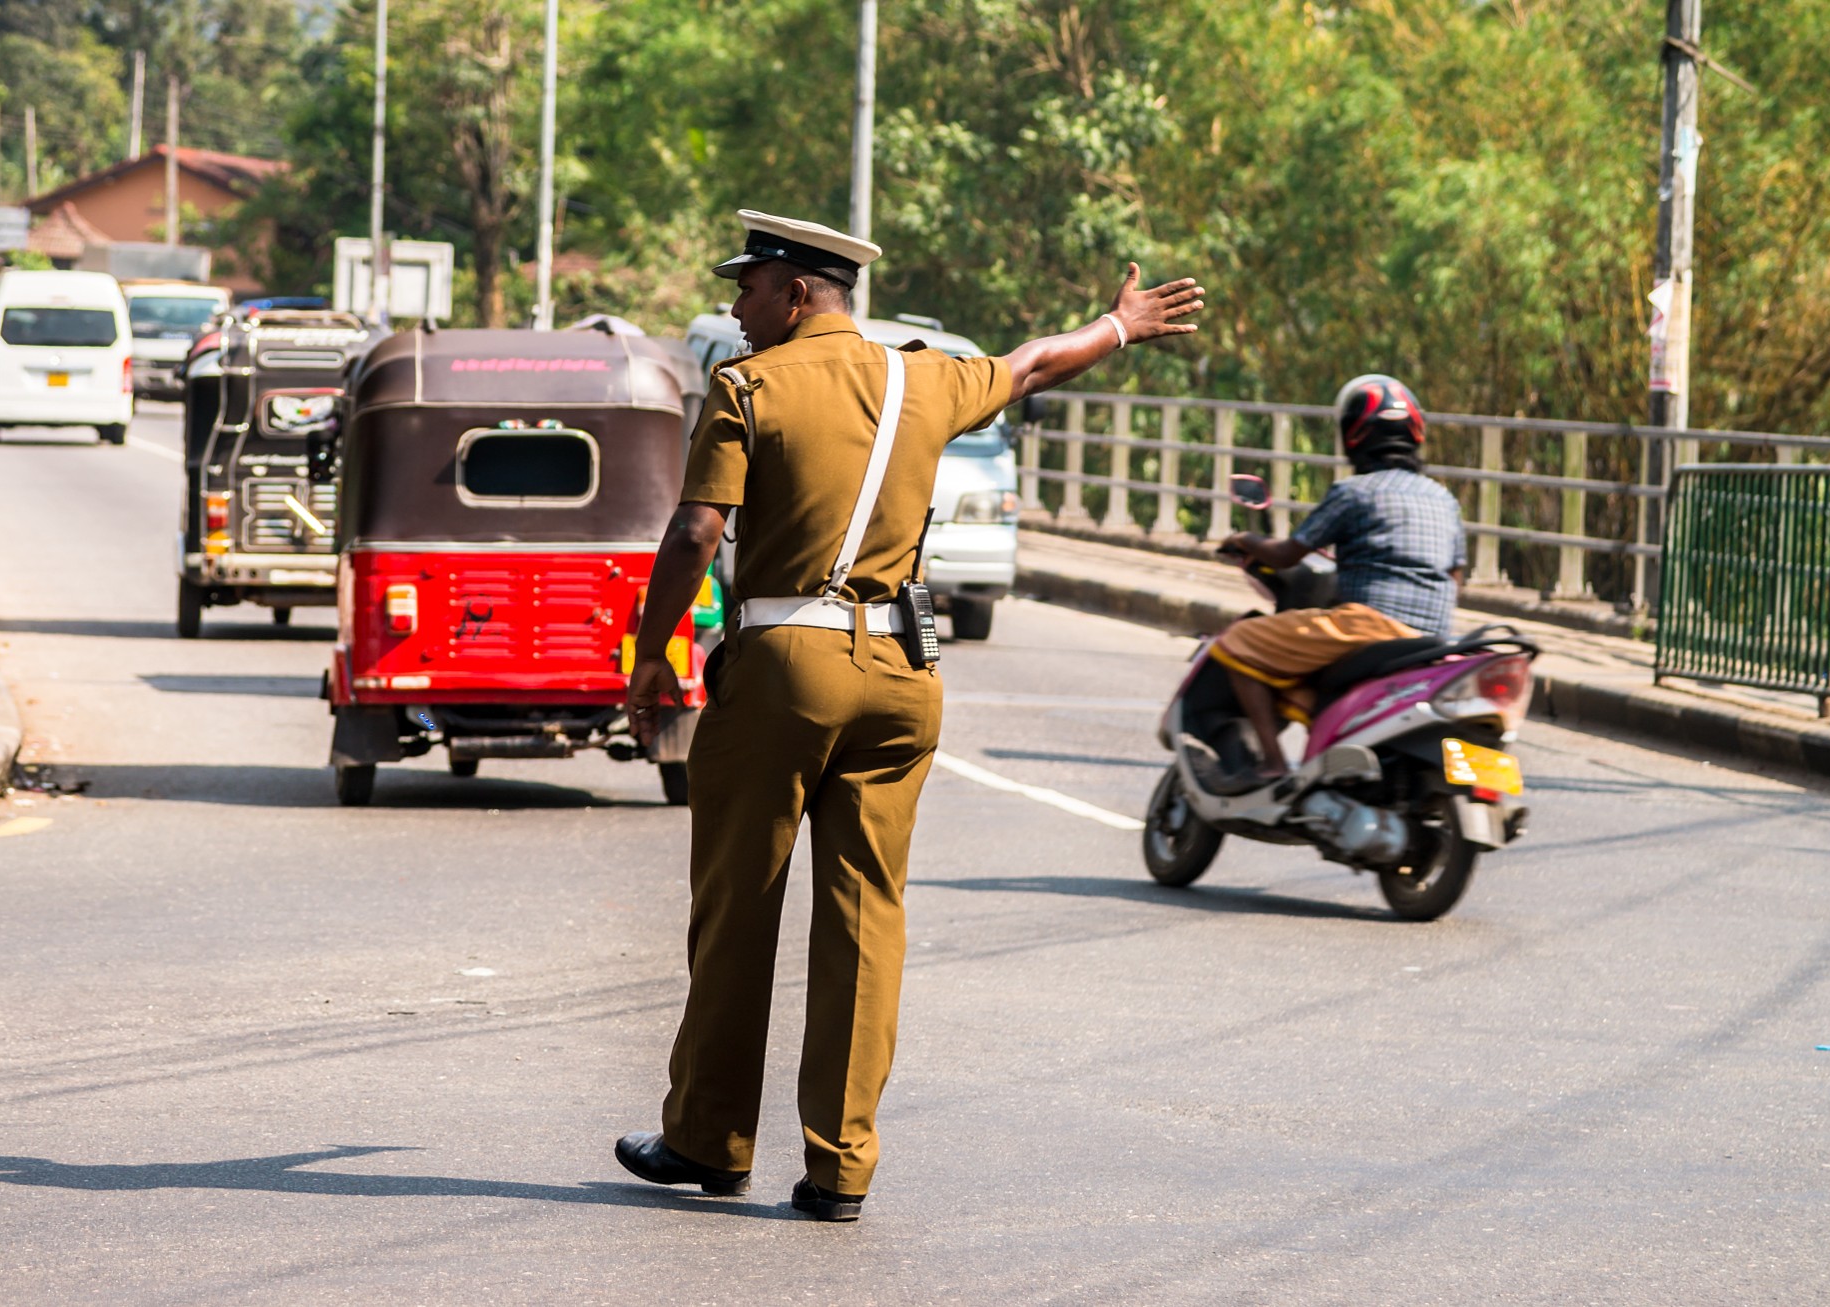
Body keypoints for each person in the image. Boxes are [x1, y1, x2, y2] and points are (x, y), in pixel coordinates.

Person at [615, 209, 1204, 1221]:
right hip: (901, 673)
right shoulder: (922, 377)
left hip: (785, 667)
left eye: (748, 287)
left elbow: (693, 531)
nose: (735, 305)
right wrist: (1118, 326)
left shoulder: (749, 386)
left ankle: (709, 1137)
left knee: (739, 906)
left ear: (798, 292)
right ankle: (840, 1165)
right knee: (864, 917)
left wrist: (646, 659)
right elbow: (1029, 365)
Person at [1212, 374, 1467, 780]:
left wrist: (1244, 538)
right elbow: (1454, 579)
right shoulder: (1444, 499)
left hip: (1368, 625)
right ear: (1415, 433)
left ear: (1354, 436)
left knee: (1240, 642)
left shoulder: (1354, 492)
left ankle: (1274, 764)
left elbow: (1286, 555)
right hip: (1434, 635)